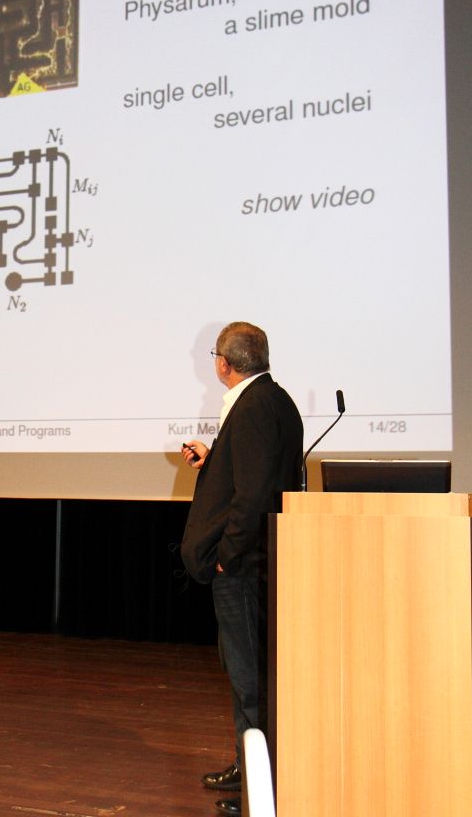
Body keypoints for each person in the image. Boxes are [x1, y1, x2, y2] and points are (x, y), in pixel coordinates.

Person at [180, 322, 302, 817]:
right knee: (246, 672)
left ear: (224, 364)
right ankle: (247, 765)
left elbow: (252, 496)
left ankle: (258, 787)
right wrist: (213, 460)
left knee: (249, 677)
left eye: (214, 354)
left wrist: (227, 554)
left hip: (245, 566)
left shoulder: (251, 407)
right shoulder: (275, 400)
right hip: (257, 560)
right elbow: (258, 475)